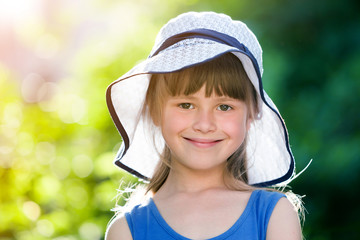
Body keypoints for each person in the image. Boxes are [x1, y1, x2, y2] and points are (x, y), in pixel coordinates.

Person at [105, 11, 303, 240]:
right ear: (154, 110)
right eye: (186, 105)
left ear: (252, 114)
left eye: (224, 107)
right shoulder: (126, 230)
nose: (204, 124)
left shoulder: (274, 215)